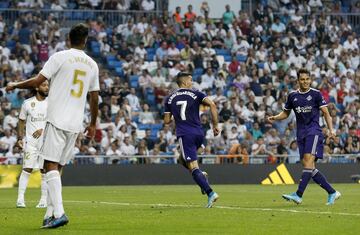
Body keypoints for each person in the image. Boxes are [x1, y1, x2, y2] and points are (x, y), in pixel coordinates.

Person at [6, 23, 99, 228]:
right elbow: (94, 97)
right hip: (75, 124)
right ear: (85, 41)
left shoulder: (60, 57)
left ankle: (59, 213)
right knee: (57, 168)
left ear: (69, 40)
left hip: (57, 119)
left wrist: (15, 84)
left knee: (49, 166)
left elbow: (37, 81)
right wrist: (92, 123)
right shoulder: (92, 64)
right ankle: (49, 214)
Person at [268, 68, 341, 205]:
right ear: (298, 81)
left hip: (314, 132)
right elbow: (286, 113)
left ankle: (298, 194)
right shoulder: (292, 96)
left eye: (307, 79)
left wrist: (331, 130)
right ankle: (332, 192)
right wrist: (275, 117)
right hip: (301, 134)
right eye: (302, 79)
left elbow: (326, 113)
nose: (305, 81)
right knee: (309, 166)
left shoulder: (316, 94)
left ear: (310, 79)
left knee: (308, 162)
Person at [163, 72, 220, 208]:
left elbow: (166, 121)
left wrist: (174, 114)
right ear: (184, 82)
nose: (192, 82)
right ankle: (201, 177)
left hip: (185, 134)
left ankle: (210, 192)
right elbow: (212, 105)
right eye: (190, 80)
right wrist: (215, 125)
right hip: (199, 133)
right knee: (181, 160)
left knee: (193, 166)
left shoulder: (170, 98)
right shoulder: (197, 94)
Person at [16, 80, 49, 209]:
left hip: (46, 141)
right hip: (31, 142)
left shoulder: (51, 103)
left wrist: (43, 129)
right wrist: (19, 137)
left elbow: (54, 121)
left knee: (44, 170)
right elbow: (21, 121)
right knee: (27, 169)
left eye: (47, 85)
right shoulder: (28, 103)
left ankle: (43, 199)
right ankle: (20, 199)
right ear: (36, 87)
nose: (47, 88)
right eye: (44, 85)